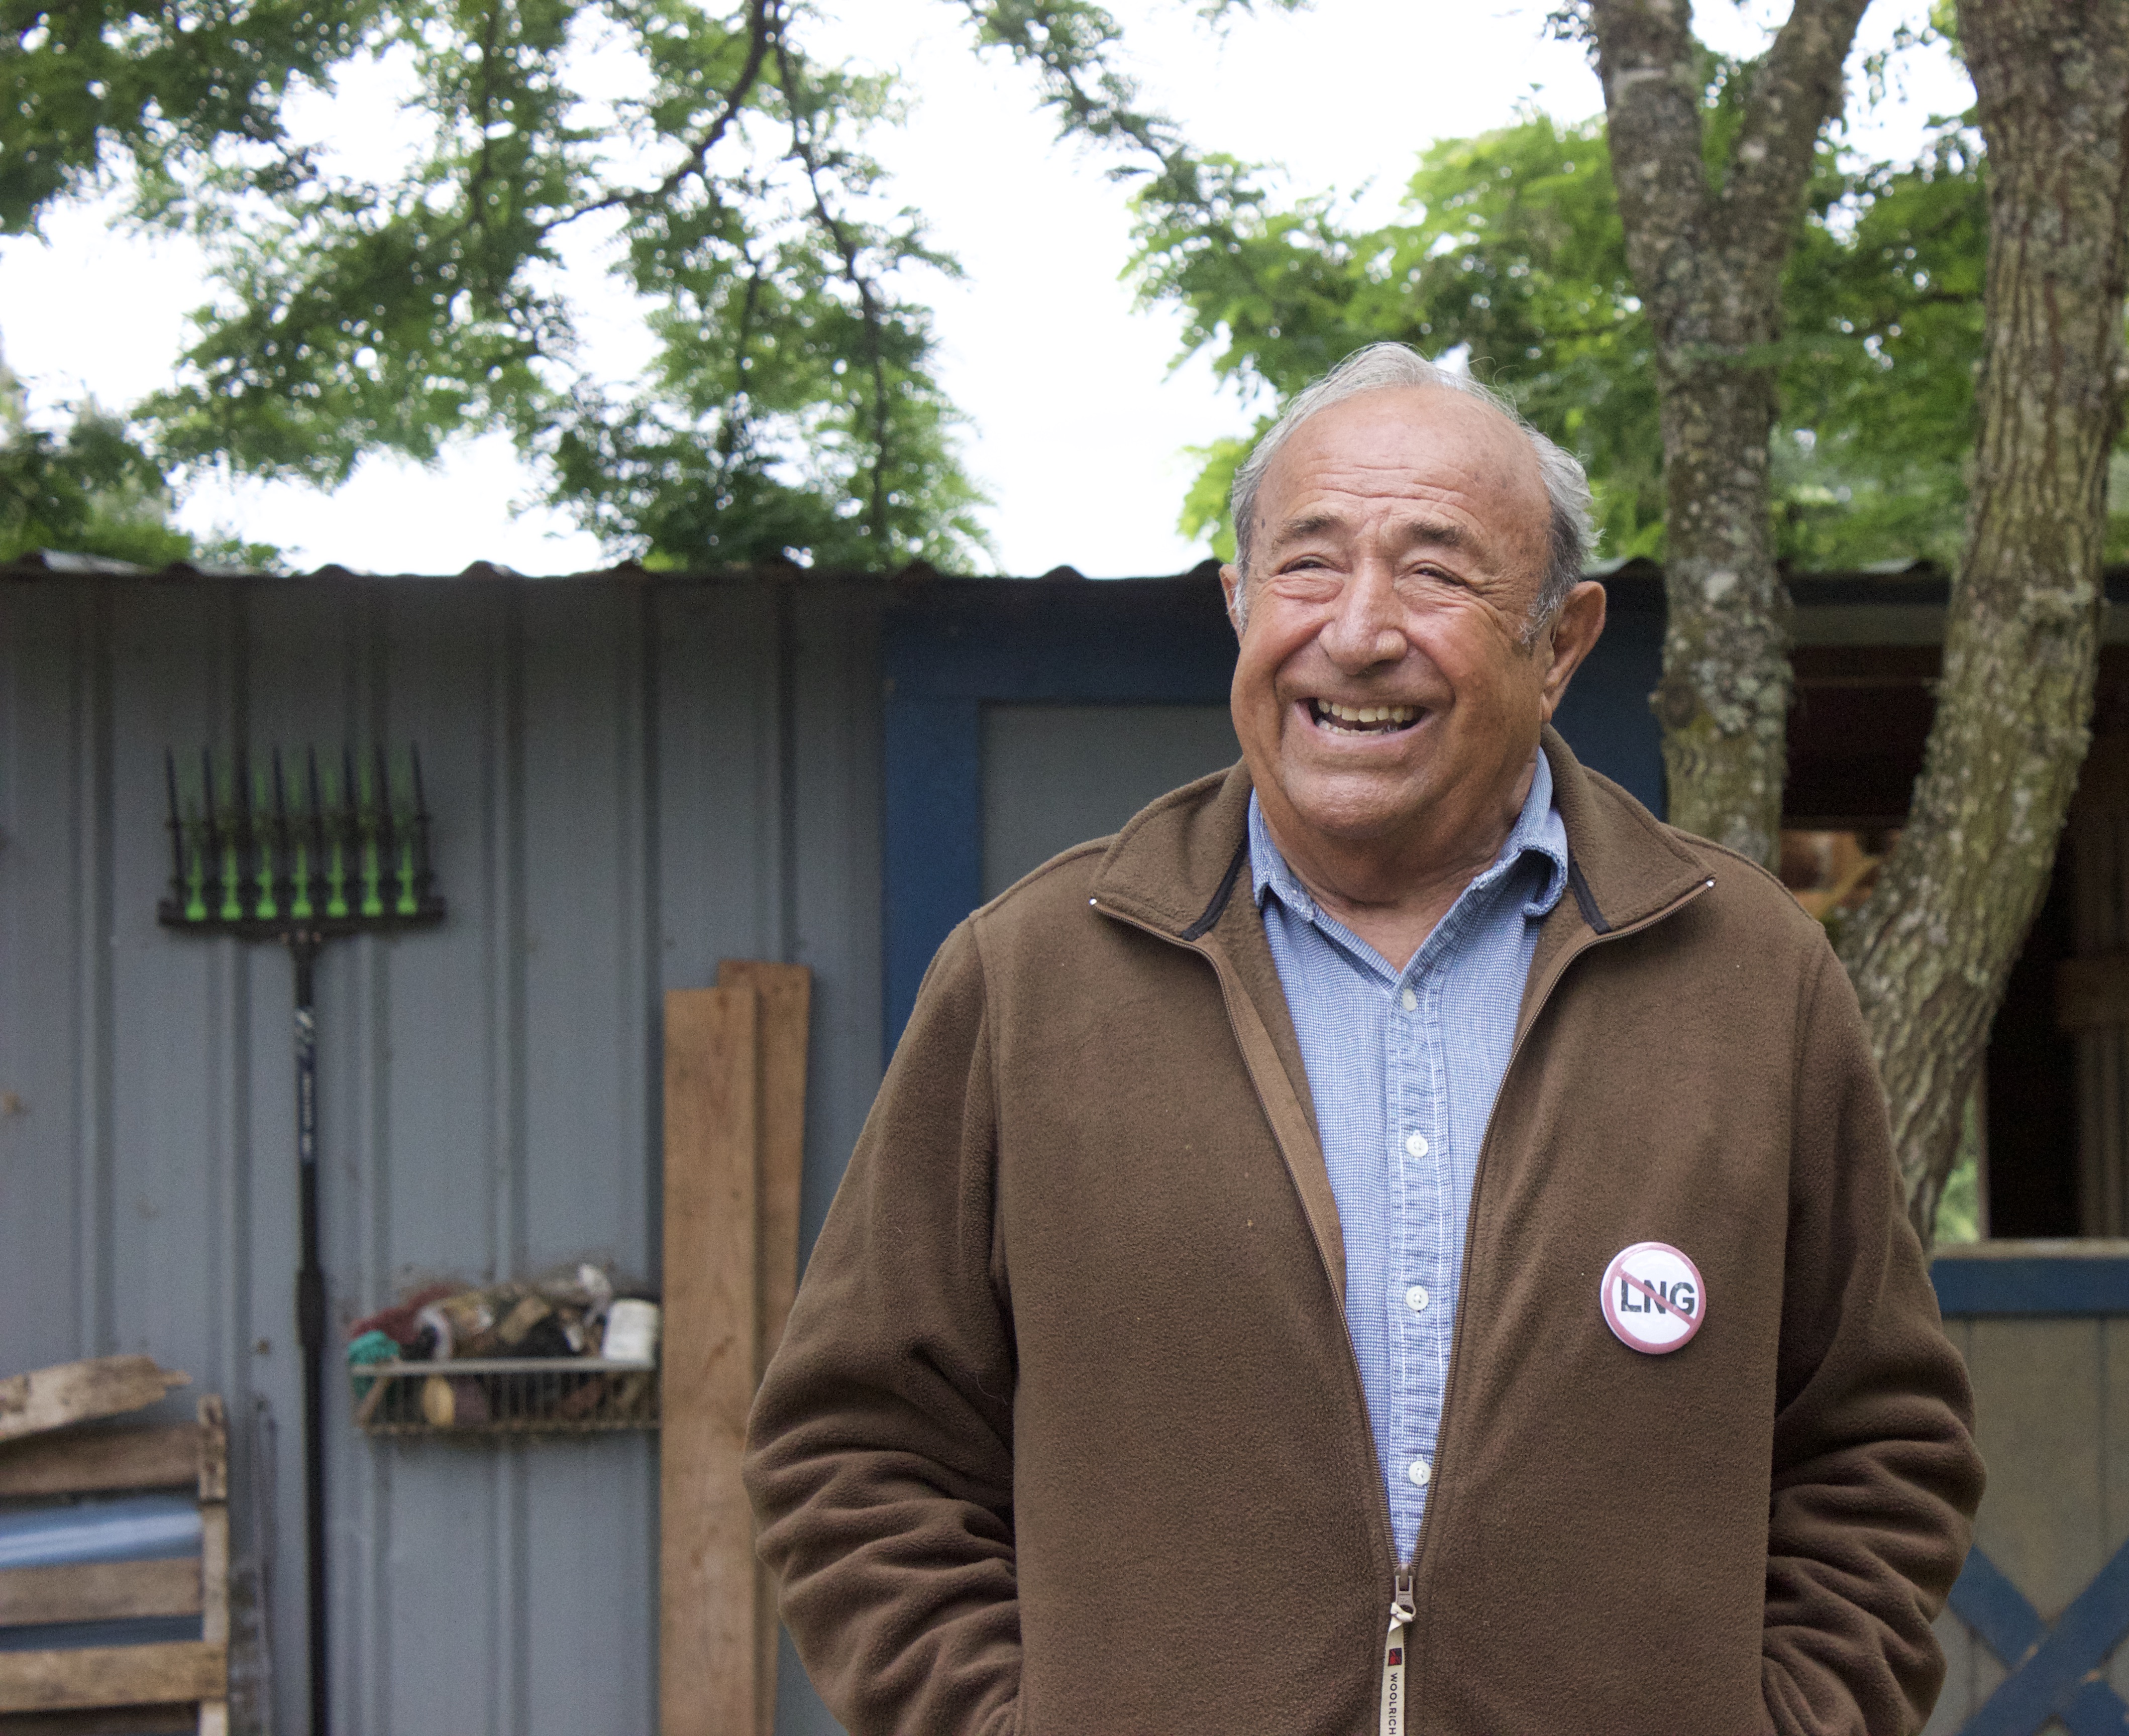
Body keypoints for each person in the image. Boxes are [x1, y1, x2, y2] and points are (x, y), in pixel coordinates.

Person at [746, 343, 1983, 1735]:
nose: (1360, 630)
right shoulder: (1032, 980)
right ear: (1238, 605)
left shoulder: (1749, 980)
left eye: (1439, 572)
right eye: (1309, 564)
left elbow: (1879, 1450)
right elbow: (856, 1449)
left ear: (1562, 641)